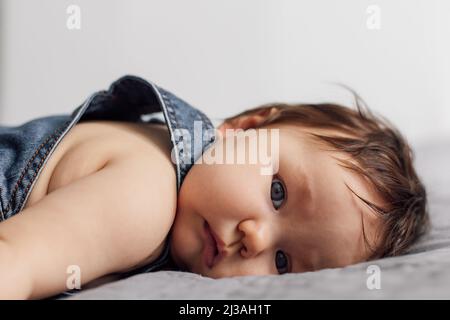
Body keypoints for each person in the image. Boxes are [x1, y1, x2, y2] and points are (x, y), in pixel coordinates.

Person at [0, 75, 429, 299]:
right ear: (245, 126)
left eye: (283, 262)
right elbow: (13, 259)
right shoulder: (146, 200)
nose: (254, 238)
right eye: (277, 192)